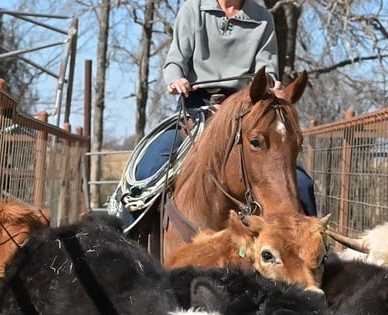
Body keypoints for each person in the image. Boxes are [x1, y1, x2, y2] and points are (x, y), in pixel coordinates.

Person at [127, 0, 317, 218]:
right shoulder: (193, 9)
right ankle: (127, 231)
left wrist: (271, 85)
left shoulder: (263, 17)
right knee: (148, 169)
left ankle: (308, 236)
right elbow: (175, 61)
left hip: (246, 111)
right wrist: (176, 79)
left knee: (303, 185)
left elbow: (267, 72)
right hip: (197, 110)